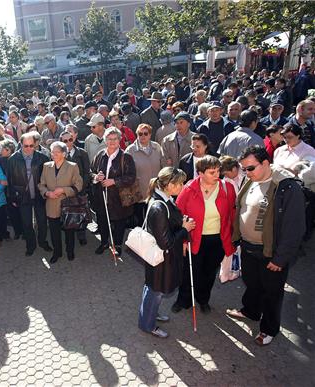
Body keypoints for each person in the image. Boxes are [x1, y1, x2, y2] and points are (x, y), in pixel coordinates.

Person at [227, 145, 305, 346]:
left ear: (265, 163)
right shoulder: (249, 180)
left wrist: (280, 258)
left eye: (250, 168)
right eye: (244, 168)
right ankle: (250, 311)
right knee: (252, 284)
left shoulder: (287, 187)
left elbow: (294, 228)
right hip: (249, 248)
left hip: (272, 253)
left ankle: (269, 329)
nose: (246, 172)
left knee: (272, 293)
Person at [172, 156, 236, 314]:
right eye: (212, 172)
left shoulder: (227, 188)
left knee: (208, 273)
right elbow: (178, 215)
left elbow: (233, 214)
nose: (217, 175)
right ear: (200, 173)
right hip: (194, 239)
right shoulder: (188, 189)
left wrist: (234, 238)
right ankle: (183, 300)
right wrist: (182, 239)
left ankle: (203, 299)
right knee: (189, 272)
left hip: (217, 240)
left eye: (218, 171)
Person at [138, 167, 195, 338]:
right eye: (180, 183)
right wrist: (185, 229)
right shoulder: (159, 206)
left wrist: (181, 223)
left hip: (163, 259)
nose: (183, 186)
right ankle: (147, 324)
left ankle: (150, 314)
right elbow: (166, 243)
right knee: (155, 290)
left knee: (153, 288)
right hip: (162, 259)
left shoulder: (165, 198)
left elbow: (168, 226)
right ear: (169, 184)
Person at [90, 127, 137, 255]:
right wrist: (96, 177)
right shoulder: (100, 155)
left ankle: (117, 245)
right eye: (109, 139)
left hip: (118, 197)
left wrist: (114, 181)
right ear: (105, 140)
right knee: (102, 221)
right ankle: (104, 242)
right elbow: (91, 172)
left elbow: (131, 177)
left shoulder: (126, 157)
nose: (112, 142)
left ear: (119, 140)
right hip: (102, 196)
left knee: (119, 222)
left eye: (115, 139)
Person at [6, 132, 52, 256]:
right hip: (22, 197)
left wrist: (47, 193)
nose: (29, 149)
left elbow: (48, 178)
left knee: (42, 222)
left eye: (31, 146)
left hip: (39, 196)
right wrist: (12, 198)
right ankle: (30, 245)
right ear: (21, 144)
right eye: (26, 146)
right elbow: (10, 180)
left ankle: (42, 242)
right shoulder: (13, 159)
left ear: (35, 144)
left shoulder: (42, 158)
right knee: (26, 223)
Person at [38, 141, 83, 262]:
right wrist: (47, 193)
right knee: (54, 231)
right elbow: (41, 184)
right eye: (52, 152)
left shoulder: (72, 166)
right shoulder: (46, 166)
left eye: (57, 152)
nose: (54, 154)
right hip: (51, 204)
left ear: (64, 153)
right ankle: (57, 252)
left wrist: (64, 190)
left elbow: (78, 185)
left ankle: (70, 251)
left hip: (68, 204)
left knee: (69, 230)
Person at [125, 123, 165, 225]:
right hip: (139, 191)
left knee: (154, 219)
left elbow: (163, 166)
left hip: (155, 190)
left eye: (145, 133)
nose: (142, 136)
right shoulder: (130, 150)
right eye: (140, 133)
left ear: (150, 135)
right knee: (140, 220)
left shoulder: (157, 147)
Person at [61, 127, 91, 245]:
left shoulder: (82, 153)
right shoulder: (60, 154)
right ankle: (69, 235)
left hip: (80, 189)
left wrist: (81, 187)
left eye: (70, 139)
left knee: (81, 212)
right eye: (65, 141)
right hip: (66, 190)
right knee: (68, 213)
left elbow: (86, 172)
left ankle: (81, 235)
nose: (68, 142)